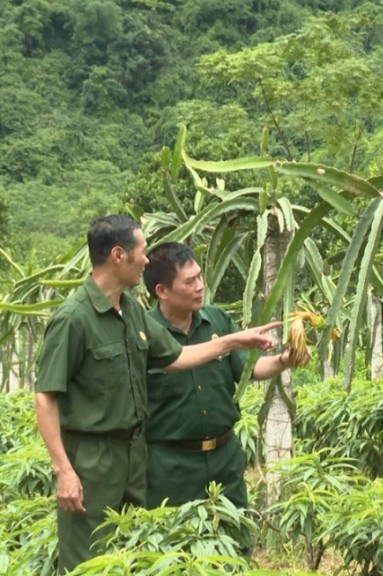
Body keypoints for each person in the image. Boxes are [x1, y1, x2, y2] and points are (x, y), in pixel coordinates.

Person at [34, 215, 280, 574]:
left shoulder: (131, 310)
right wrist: (64, 471)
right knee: (89, 560)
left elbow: (178, 357)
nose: (147, 260)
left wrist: (234, 340)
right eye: (142, 251)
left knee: (139, 553)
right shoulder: (74, 318)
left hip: (135, 455)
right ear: (118, 255)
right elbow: (45, 398)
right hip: (92, 459)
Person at [141, 242, 307, 512]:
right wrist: (231, 341)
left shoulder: (216, 319)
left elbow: (249, 371)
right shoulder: (145, 333)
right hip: (170, 466)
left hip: (224, 457)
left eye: (199, 276)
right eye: (189, 281)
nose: (199, 286)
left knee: (234, 536)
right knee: (177, 543)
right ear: (162, 291)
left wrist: (284, 360)